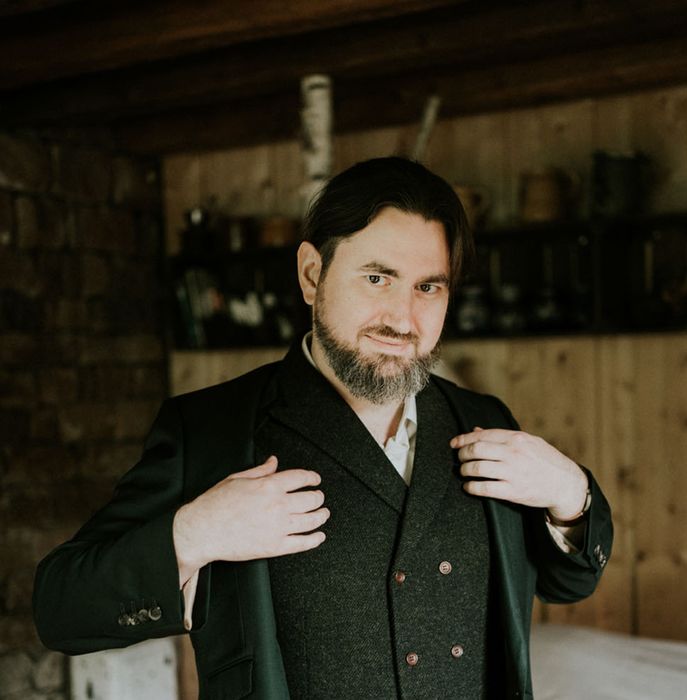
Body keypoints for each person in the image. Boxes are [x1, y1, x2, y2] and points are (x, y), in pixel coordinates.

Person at [34, 157, 613, 699]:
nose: (402, 318)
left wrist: (572, 494)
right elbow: (62, 609)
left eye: (428, 287)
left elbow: (569, 582)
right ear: (313, 275)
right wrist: (193, 534)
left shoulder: (485, 422)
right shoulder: (211, 432)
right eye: (378, 279)